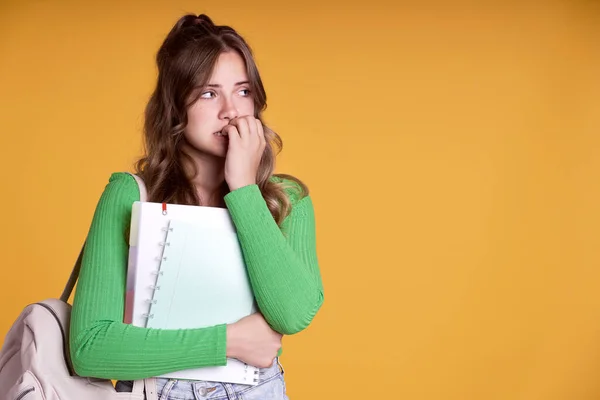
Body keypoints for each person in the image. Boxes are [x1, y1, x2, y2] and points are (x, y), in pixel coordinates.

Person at [69, 13, 324, 400]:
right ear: (176, 108)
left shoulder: (285, 199)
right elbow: (91, 348)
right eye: (208, 93)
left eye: (242, 91)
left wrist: (243, 189)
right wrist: (229, 341)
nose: (231, 111)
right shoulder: (131, 195)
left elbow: (293, 314)